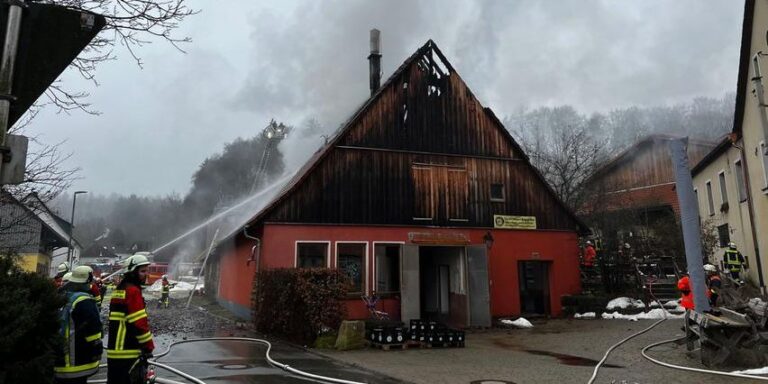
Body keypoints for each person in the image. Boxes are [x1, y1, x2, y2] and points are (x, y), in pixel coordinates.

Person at [107, 254, 155, 384]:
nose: (145, 275)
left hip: (114, 351)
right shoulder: (132, 291)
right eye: (142, 271)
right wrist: (148, 346)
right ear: (132, 272)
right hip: (128, 352)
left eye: (146, 271)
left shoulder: (120, 289)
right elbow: (139, 323)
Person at [54, 266, 103, 384]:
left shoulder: (63, 297)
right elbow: (94, 330)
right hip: (77, 361)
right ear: (88, 281)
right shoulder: (84, 301)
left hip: (59, 359)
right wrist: (96, 348)